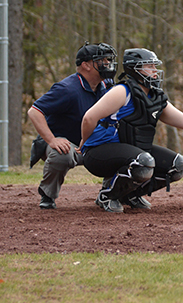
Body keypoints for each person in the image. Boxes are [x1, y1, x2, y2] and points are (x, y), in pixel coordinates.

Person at [79, 48, 183, 213]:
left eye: (155, 66)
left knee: (177, 165)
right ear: (135, 69)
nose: (155, 71)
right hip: (98, 153)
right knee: (143, 161)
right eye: (149, 66)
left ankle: (129, 195)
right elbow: (88, 118)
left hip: (130, 153)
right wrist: (85, 140)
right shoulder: (122, 91)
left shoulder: (154, 96)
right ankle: (107, 196)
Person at [28, 42, 117, 209]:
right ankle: (48, 195)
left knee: (122, 147)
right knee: (61, 152)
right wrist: (52, 140)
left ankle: (109, 194)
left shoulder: (107, 86)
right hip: (69, 144)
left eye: (108, 60)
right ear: (86, 65)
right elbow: (34, 111)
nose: (107, 64)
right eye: (101, 60)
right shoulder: (67, 89)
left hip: (92, 144)